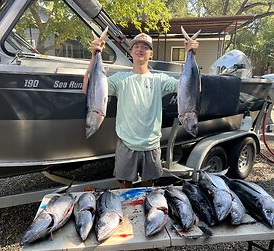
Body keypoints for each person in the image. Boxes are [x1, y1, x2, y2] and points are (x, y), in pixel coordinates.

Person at [82, 32, 199, 189]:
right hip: (126, 143)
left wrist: (192, 54)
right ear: (130, 52)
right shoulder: (120, 79)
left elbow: (194, 89)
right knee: (125, 189)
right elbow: (87, 88)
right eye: (136, 46)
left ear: (151, 54)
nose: (140, 50)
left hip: (151, 145)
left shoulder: (160, 80)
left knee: (149, 189)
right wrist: (95, 54)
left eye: (145, 47)